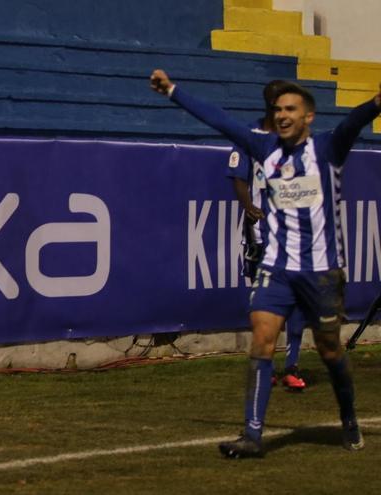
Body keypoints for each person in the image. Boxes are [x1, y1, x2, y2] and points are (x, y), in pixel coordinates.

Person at [150, 69, 380, 458]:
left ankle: (349, 418)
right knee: (261, 340)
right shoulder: (264, 148)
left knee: (329, 352)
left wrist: (375, 104)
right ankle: (252, 436)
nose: (282, 115)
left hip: (321, 272)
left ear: (308, 117)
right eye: (277, 109)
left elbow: (354, 121)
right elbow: (219, 119)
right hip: (275, 267)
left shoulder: (327, 149)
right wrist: (173, 90)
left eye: (291, 109)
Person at [228, 80, 307, 392]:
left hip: (295, 233)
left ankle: (293, 364)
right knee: (267, 305)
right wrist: (249, 206)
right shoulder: (252, 137)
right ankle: (268, 366)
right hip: (264, 234)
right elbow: (238, 176)